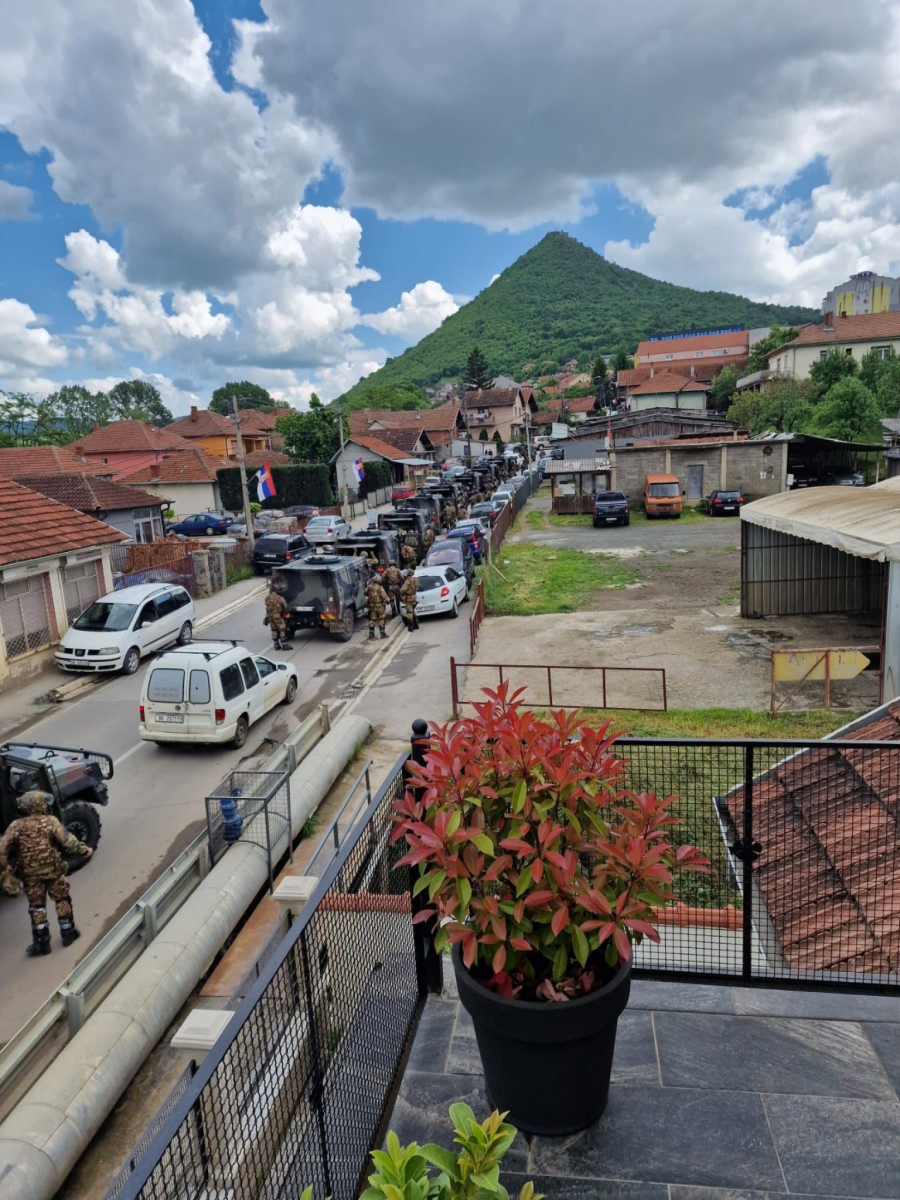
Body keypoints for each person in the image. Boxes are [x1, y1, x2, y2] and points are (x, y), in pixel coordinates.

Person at [0, 791, 92, 956]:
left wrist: (4, 867)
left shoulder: (15, 826)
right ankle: (68, 934)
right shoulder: (51, 821)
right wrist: (85, 851)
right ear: (39, 805)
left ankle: (42, 944)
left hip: (31, 876)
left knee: (37, 907)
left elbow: (2, 849)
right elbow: (67, 841)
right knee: (62, 900)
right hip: (53, 872)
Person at [263, 583, 292, 650]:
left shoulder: (267, 598)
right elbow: (285, 606)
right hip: (277, 616)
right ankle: (284, 645)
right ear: (277, 590)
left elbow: (267, 606)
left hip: (270, 616)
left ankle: (276, 645)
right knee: (282, 629)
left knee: (274, 630)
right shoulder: (279, 598)